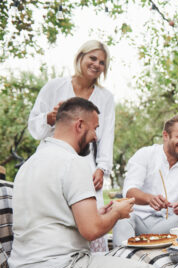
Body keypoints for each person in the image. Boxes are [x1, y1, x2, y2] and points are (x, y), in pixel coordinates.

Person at [9, 97, 161, 268]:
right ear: (79, 125)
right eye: (94, 128)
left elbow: (53, 214)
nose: (96, 136)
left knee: (109, 262)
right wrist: (117, 213)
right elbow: (91, 231)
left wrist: (100, 211)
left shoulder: (30, 164)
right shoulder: (73, 162)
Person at [28, 40, 115, 252]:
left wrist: (101, 169)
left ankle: (93, 267)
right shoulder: (54, 87)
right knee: (57, 214)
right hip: (52, 163)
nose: (96, 64)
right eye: (92, 58)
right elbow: (34, 126)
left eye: (102, 62)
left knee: (88, 218)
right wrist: (50, 117)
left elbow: (106, 136)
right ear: (80, 58)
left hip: (86, 165)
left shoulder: (106, 98)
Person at [112, 115, 178, 246]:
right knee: (121, 217)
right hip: (137, 220)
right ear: (165, 136)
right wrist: (149, 199)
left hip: (166, 223)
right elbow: (129, 192)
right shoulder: (145, 154)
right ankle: (124, 259)